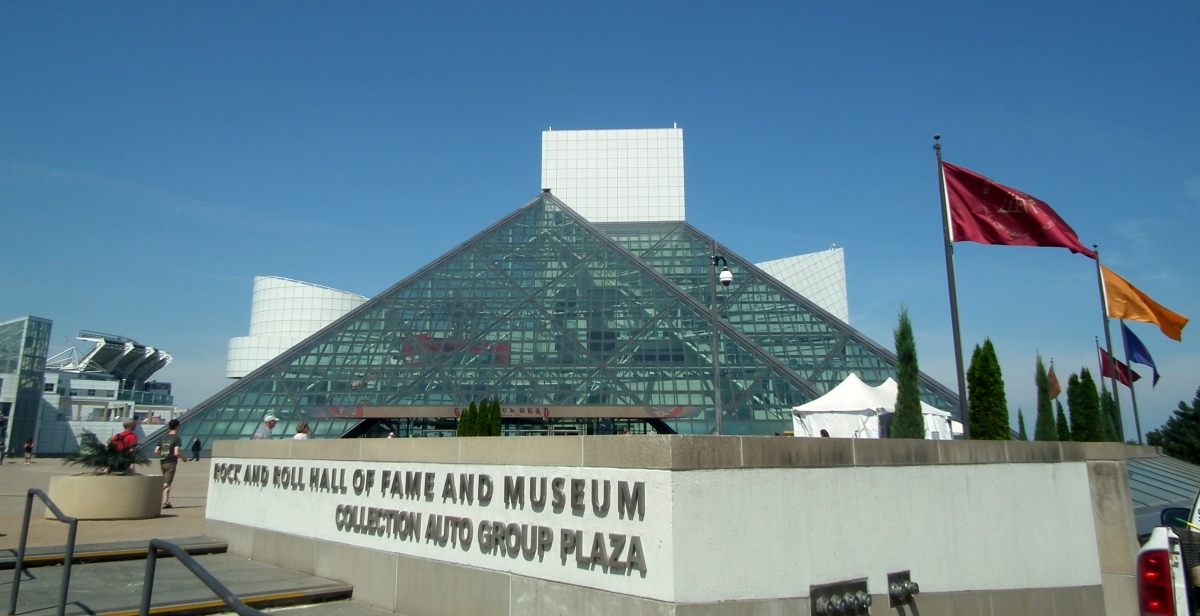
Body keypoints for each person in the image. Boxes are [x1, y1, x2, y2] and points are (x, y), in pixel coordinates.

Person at [154, 419, 185, 508]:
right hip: (171, 462)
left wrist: (164, 453)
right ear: (177, 426)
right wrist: (183, 458)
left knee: (167, 482)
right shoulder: (177, 438)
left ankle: (166, 502)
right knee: (167, 483)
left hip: (162, 461)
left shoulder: (163, 437)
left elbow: (156, 451)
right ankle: (155, 491)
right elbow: (176, 452)